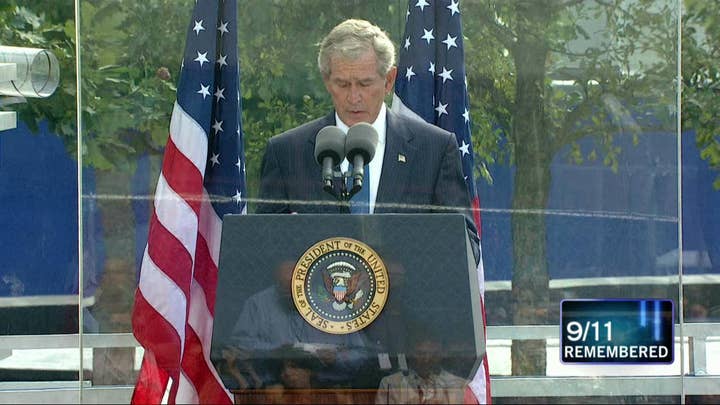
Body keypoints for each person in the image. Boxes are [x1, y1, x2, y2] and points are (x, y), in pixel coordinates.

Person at [255, 18, 479, 250]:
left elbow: (466, 248)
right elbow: (260, 248)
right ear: (327, 82)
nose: (353, 97)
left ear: (389, 80)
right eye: (342, 84)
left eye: (364, 84)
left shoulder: (434, 150)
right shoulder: (286, 153)